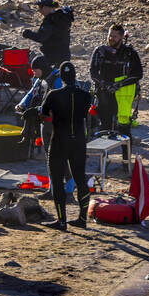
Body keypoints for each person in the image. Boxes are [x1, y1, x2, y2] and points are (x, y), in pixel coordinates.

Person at [40, 61, 93, 231]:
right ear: (75, 75)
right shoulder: (85, 96)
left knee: (56, 180)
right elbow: (87, 113)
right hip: (78, 140)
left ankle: (62, 221)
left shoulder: (53, 95)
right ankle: (82, 219)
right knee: (80, 178)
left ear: (61, 77)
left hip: (59, 140)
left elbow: (43, 114)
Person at [89, 23, 143, 135]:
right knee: (104, 126)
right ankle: (105, 152)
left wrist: (119, 84)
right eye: (109, 35)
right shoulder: (100, 51)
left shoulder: (130, 53)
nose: (111, 38)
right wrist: (105, 84)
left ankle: (126, 152)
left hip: (123, 94)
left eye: (114, 36)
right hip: (104, 93)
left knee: (123, 127)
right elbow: (93, 72)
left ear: (122, 37)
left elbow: (138, 74)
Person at [15, 55, 60, 147]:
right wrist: (22, 104)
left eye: (35, 71)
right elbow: (31, 93)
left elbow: (57, 103)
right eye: (33, 71)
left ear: (43, 69)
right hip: (43, 109)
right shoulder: (40, 78)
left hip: (56, 114)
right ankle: (28, 137)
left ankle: (35, 139)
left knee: (32, 113)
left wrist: (38, 110)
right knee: (27, 112)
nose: (34, 74)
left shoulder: (57, 79)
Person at [23, 0, 73, 67]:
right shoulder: (61, 17)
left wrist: (27, 34)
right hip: (65, 55)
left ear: (46, 7)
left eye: (40, 7)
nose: (39, 10)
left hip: (52, 57)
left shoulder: (50, 20)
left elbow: (41, 37)